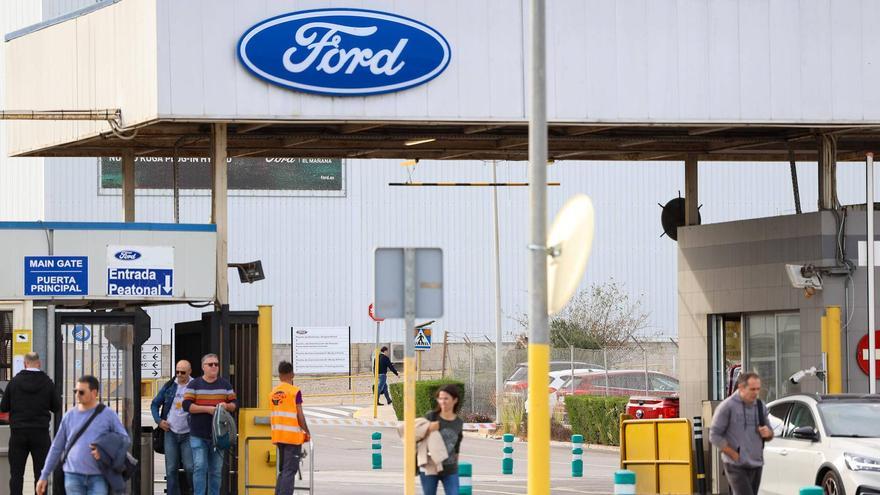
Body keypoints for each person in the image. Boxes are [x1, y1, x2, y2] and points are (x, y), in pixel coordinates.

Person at [36, 375, 129, 495]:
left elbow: (124, 438)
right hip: (73, 475)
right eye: (75, 391)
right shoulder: (69, 416)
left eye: (81, 392)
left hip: (99, 476)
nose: (77, 395)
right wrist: (44, 476)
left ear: (94, 392)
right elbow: (56, 447)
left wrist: (105, 450)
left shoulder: (108, 415)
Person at [0, 352, 62, 495]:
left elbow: (4, 407)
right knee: (41, 474)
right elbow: (57, 407)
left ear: (24, 364)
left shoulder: (14, 382)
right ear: (39, 364)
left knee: (16, 475)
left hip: (18, 433)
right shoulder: (47, 382)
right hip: (40, 433)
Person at [709, 371, 774, 495]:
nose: (756, 393)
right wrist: (733, 454)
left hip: (756, 462)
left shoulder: (760, 406)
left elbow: (770, 432)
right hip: (735, 464)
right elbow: (714, 435)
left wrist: (768, 433)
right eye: (752, 389)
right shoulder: (727, 406)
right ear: (741, 388)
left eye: (758, 389)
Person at [183, 354, 237, 495]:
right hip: (198, 434)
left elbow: (235, 404)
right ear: (203, 367)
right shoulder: (194, 385)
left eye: (216, 364)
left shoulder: (225, 384)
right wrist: (207, 409)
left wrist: (226, 405)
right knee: (200, 467)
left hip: (219, 436)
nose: (214, 367)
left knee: (216, 471)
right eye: (210, 364)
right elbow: (187, 406)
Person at [151, 360, 194, 495]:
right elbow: (154, 404)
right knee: (170, 469)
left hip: (188, 433)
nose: (179, 375)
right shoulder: (170, 386)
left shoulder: (195, 386)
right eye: (177, 372)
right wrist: (159, 421)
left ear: (190, 372)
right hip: (170, 432)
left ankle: (195, 491)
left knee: (190, 467)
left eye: (183, 372)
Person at [269, 361, 311, 495]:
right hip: (292, 438)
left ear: (279, 375)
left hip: (278, 436)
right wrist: (307, 431)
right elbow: (300, 414)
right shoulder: (295, 392)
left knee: (283, 470)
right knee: (290, 471)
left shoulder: (272, 393)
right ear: (292, 374)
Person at [419, 384, 464, 495]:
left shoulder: (458, 422)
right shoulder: (431, 416)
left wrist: (456, 464)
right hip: (430, 466)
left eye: (446, 398)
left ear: (455, 400)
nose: (443, 401)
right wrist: (429, 428)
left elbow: (456, 446)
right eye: (440, 398)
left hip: (450, 469)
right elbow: (417, 435)